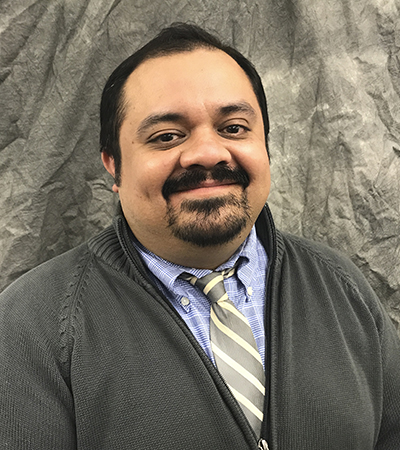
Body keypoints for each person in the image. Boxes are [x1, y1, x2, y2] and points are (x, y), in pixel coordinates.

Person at [1, 23, 399, 450]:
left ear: (265, 146)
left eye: (233, 128)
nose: (208, 153)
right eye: (167, 136)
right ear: (113, 165)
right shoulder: (30, 326)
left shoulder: (343, 286)